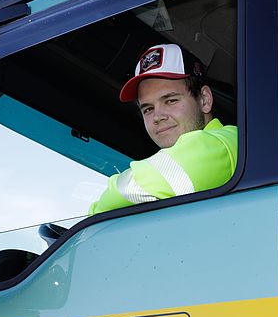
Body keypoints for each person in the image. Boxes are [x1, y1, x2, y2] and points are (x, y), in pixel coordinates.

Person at [89, 44, 237, 215]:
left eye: (171, 100)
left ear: (204, 99)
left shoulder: (223, 143)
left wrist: (93, 214)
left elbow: (125, 190)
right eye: (148, 109)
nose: (157, 116)